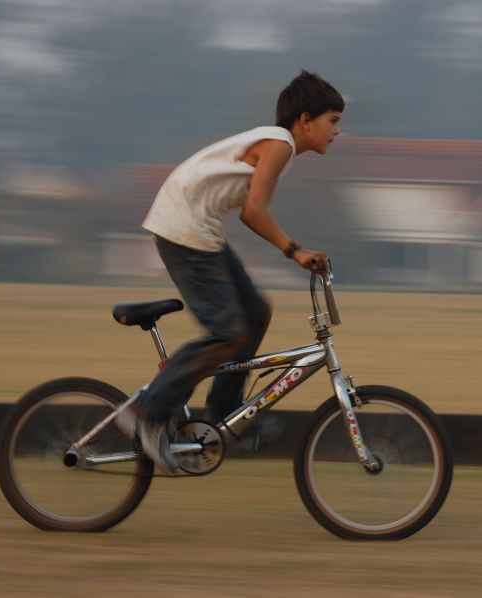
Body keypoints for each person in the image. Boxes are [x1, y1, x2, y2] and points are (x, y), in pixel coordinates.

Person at [131, 70, 343, 472]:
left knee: (255, 312)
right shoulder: (279, 145)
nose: (337, 131)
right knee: (227, 334)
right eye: (332, 120)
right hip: (183, 226)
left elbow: (248, 212)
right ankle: (149, 412)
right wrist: (295, 251)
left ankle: (222, 417)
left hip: (199, 226)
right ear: (305, 120)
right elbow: (253, 211)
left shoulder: (279, 146)